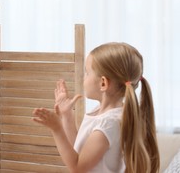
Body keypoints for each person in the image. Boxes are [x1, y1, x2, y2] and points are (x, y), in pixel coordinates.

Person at [32, 42, 160, 173]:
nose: (83, 78)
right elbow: (80, 151)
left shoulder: (108, 124)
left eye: (87, 73)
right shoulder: (104, 114)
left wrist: (57, 128)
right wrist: (66, 116)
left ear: (103, 83)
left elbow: (77, 167)